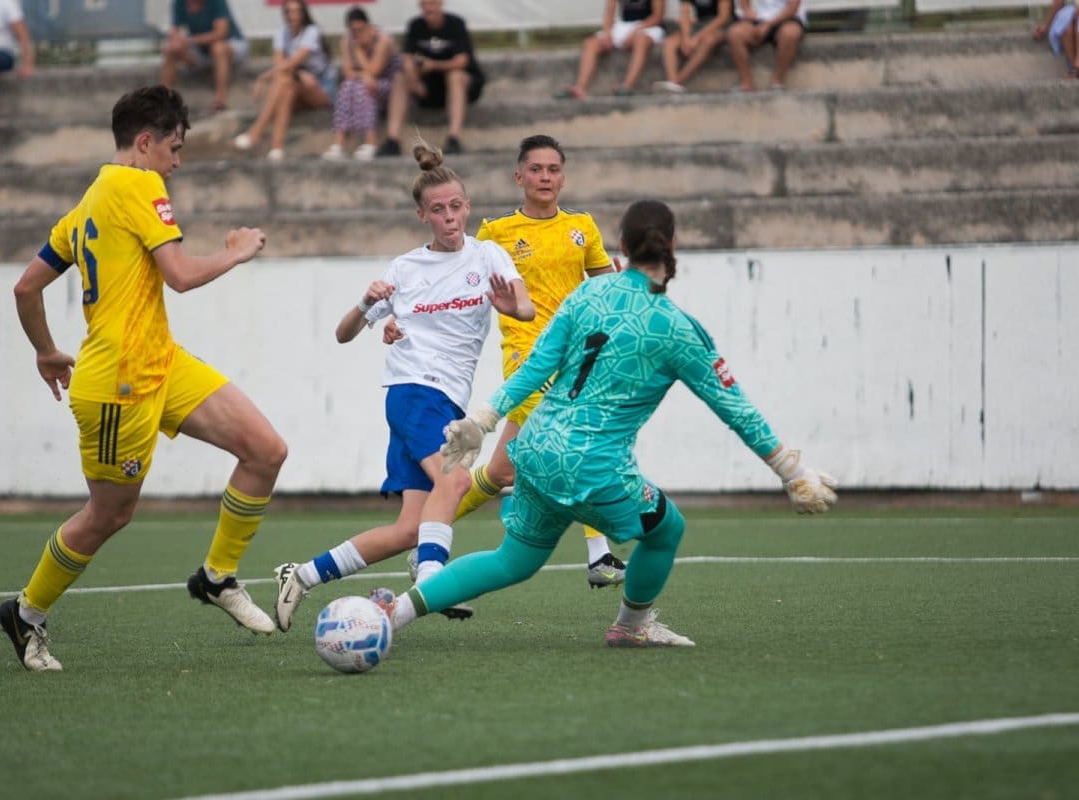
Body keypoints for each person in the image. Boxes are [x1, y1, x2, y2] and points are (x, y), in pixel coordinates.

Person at [369, 199, 838, 648]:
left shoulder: (587, 293)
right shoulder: (676, 327)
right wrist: (792, 472)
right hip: (592, 465)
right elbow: (734, 408)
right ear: (673, 245)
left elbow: (536, 366)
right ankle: (632, 626)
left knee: (514, 560)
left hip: (533, 450)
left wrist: (483, 419)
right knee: (667, 530)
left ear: (623, 246)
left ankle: (394, 613)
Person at [0, 85, 284, 672]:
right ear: (146, 142)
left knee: (265, 450)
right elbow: (179, 275)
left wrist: (46, 351)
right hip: (117, 384)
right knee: (109, 515)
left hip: (161, 361)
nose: (176, 163)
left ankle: (217, 577)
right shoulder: (138, 184)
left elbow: (27, 287)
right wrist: (236, 251)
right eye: (174, 149)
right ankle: (25, 613)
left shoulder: (89, 203)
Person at [270, 138, 535, 632]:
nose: (449, 217)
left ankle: (301, 575)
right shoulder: (405, 269)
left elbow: (527, 308)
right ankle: (433, 585)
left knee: (411, 528)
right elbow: (344, 333)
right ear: (422, 216)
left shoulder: (488, 256)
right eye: (438, 210)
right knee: (456, 481)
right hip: (414, 392)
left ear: (468, 207)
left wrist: (510, 307)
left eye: (456, 207)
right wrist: (364, 303)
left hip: (447, 401)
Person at [396, 134, 627, 588]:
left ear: (563, 177)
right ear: (518, 176)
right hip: (526, 357)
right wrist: (404, 320)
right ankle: (599, 555)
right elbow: (450, 274)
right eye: (535, 169)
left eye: (553, 169)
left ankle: (425, 536)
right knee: (573, 439)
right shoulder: (496, 232)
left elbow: (605, 285)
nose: (545, 177)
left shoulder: (582, 226)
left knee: (501, 470)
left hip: (574, 358)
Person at [375, 0, 486, 158]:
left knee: (455, 76)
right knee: (400, 78)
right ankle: (393, 139)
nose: (428, 8)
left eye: (432, 3)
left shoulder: (455, 24)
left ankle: (454, 138)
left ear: (441, 3)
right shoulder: (416, 25)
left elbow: (462, 61)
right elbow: (407, 57)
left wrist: (433, 65)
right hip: (428, 87)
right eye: (424, 4)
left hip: (459, 87)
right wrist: (411, 70)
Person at [233, 0, 336, 163]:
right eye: (289, 11)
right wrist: (290, 73)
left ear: (304, 14)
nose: (293, 16)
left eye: (297, 11)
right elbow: (280, 66)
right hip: (296, 85)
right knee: (286, 88)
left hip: (321, 88)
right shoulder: (281, 34)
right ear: (285, 14)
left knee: (287, 79)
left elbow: (293, 62)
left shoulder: (312, 32)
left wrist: (263, 78)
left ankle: (256, 131)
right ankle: (277, 148)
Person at [322, 6, 402, 161]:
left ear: (368, 26)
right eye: (354, 31)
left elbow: (374, 71)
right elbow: (347, 72)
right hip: (363, 82)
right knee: (348, 85)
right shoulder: (347, 40)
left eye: (361, 29)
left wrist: (358, 51)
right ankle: (339, 143)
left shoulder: (383, 40)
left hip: (392, 88)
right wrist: (362, 75)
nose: (358, 34)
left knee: (366, 85)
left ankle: (371, 142)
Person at [554, 0, 666, 100]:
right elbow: (609, 11)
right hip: (624, 26)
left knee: (641, 41)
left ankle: (626, 86)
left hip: (648, 26)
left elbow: (658, 16)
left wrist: (636, 30)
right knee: (591, 43)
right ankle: (580, 87)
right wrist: (607, 32)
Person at [160, 0, 249, 116]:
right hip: (201, 50)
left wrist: (189, 40)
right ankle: (163, 101)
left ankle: (220, 101)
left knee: (218, 48)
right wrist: (176, 42)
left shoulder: (217, 2)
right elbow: (174, 30)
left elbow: (221, 33)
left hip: (230, 45)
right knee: (170, 49)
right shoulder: (179, 3)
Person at [653, 0, 736, 93]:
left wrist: (697, 38)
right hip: (700, 24)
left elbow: (723, 17)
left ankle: (678, 81)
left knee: (709, 40)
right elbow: (685, 15)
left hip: (723, 25)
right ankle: (672, 81)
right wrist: (686, 38)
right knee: (670, 42)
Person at [725, 0, 806, 92]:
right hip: (761, 19)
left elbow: (792, 9)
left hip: (789, 19)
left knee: (790, 33)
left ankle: (777, 82)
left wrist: (768, 25)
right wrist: (748, 12)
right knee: (734, 34)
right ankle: (746, 83)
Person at [1032, 0, 1079, 77]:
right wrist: (1046, 26)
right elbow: (1058, 2)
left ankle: (1077, 64)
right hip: (1070, 10)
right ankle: (1075, 67)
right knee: (1067, 29)